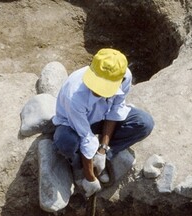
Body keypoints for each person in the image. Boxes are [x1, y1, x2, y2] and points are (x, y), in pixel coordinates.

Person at [53, 48, 154, 196]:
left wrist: (103, 150)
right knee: (66, 141)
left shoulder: (125, 77)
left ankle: (103, 159)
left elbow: (115, 110)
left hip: (101, 118)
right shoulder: (74, 94)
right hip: (72, 124)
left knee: (144, 123)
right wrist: (90, 178)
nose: (96, 91)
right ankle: (80, 167)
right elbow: (85, 136)